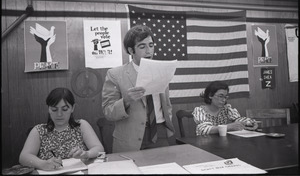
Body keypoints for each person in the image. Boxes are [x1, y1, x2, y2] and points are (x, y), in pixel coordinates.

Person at [102, 24, 175, 153]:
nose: (149, 51)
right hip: (130, 138)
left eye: (151, 45)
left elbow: (167, 105)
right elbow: (108, 112)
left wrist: (166, 125)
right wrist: (126, 101)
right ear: (131, 51)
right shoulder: (115, 74)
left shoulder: (162, 69)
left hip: (160, 133)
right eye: (142, 46)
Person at [19, 87, 104, 171]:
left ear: (72, 108)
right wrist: (42, 164)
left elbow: (99, 149)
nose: (59, 114)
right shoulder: (39, 130)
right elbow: (23, 157)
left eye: (64, 109)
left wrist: (86, 154)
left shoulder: (81, 125)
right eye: (54, 109)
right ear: (49, 109)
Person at [192, 81, 258, 135]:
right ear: (210, 95)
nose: (224, 100)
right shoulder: (200, 111)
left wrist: (249, 123)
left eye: (225, 97)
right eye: (220, 96)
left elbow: (238, 119)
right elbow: (203, 130)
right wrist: (229, 127)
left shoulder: (226, 109)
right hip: (205, 144)